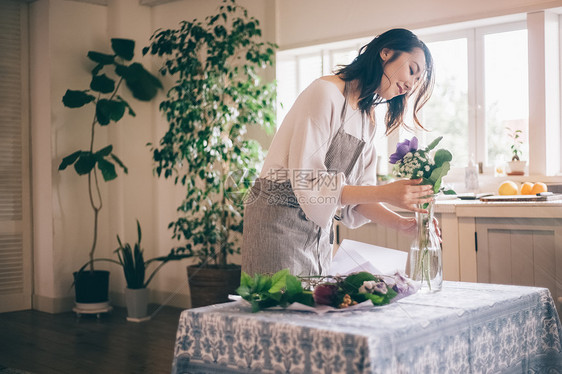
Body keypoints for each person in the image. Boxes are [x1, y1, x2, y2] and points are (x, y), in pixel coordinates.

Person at [242, 28, 435, 277]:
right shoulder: (325, 92)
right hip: (277, 222)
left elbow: (356, 198)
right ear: (386, 53)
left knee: (312, 311)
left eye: (418, 82)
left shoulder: (368, 121)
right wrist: (387, 192)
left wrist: (402, 224)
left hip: (316, 232)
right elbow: (307, 180)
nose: (411, 85)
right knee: (279, 310)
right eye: (412, 70)